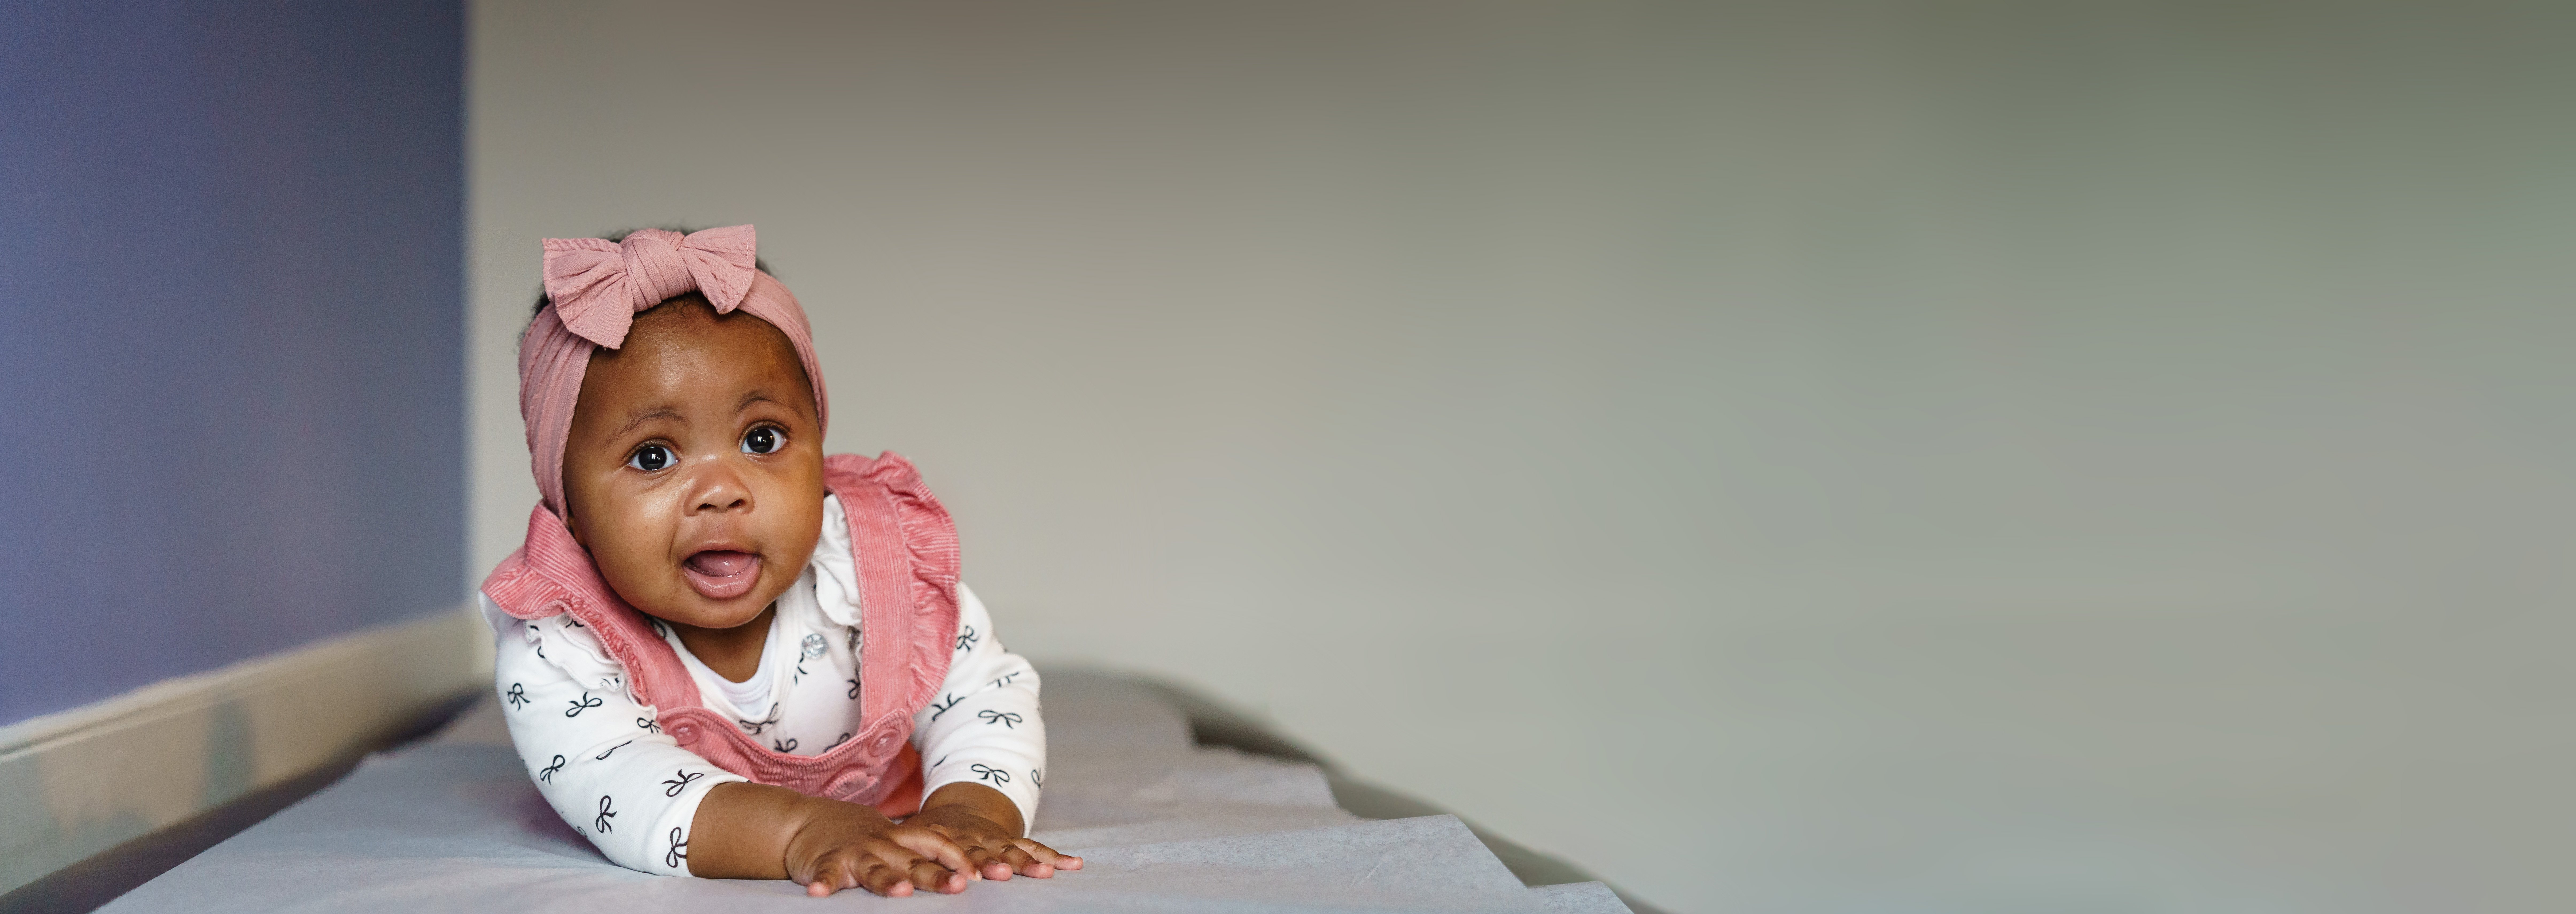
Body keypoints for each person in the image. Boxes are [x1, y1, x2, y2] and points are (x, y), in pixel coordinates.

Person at [478, 225, 1077, 897]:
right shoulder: (561, 639)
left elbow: (983, 692)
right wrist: (799, 831)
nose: (722, 491)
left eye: (762, 439)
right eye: (654, 456)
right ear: (571, 513)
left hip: (897, 809)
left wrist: (971, 810)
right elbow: (619, 780)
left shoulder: (871, 566)